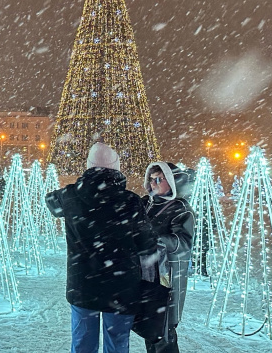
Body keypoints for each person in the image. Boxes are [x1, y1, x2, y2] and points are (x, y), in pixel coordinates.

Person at [46, 142, 158, 353]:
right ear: (116, 169)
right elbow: (147, 244)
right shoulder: (131, 201)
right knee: (117, 344)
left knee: (82, 343)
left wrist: (75, 190)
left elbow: (50, 201)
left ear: (89, 167)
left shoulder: (70, 196)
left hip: (83, 285)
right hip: (122, 287)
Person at [142, 162, 195, 353]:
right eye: (151, 179)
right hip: (146, 276)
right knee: (150, 328)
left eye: (159, 179)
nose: (153, 183)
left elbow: (183, 243)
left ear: (172, 182)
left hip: (167, 279)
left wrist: (157, 240)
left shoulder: (181, 209)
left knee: (164, 331)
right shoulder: (145, 204)